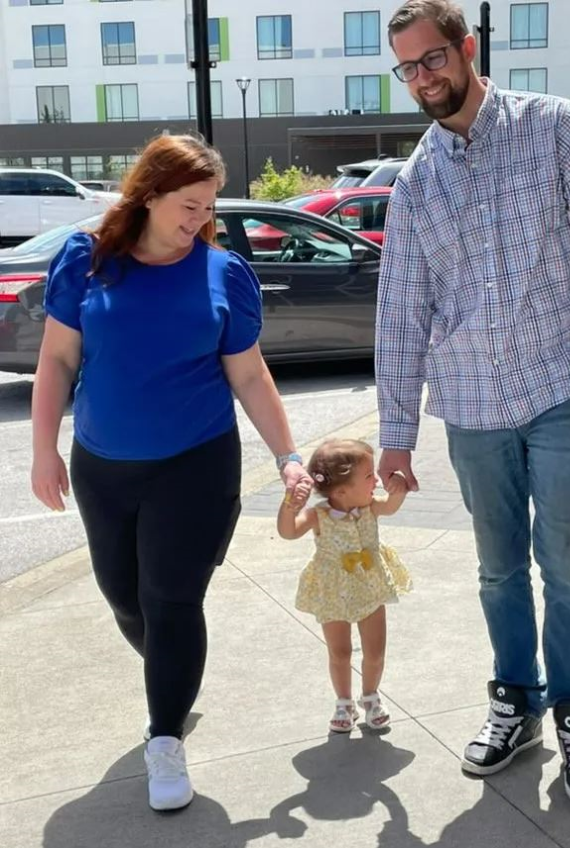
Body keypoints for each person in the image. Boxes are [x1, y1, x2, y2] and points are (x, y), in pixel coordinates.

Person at [377, 0, 570, 807]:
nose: (424, 78)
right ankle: (516, 703)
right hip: (470, 404)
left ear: (468, 47)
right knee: (497, 570)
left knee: (569, 562)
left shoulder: (553, 128)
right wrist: (394, 434)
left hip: (565, 385)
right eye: (409, 68)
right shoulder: (417, 181)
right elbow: (403, 307)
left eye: (434, 59)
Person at [31, 134, 312, 813]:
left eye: (207, 208)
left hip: (196, 464)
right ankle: (173, 676)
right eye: (188, 206)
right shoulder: (86, 261)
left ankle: (166, 737)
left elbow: (248, 372)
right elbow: (59, 362)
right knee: (126, 600)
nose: (198, 222)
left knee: (170, 600)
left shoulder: (221, 273)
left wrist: (288, 454)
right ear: (149, 194)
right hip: (103, 466)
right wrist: (43, 449)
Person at [277, 439, 412, 733]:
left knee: (374, 651)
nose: (375, 480)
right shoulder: (318, 515)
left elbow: (390, 507)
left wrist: (397, 491)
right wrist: (290, 505)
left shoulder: (370, 507)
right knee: (340, 651)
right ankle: (343, 702)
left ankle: (371, 696)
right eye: (368, 477)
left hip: (369, 586)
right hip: (332, 590)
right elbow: (288, 532)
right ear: (340, 491)